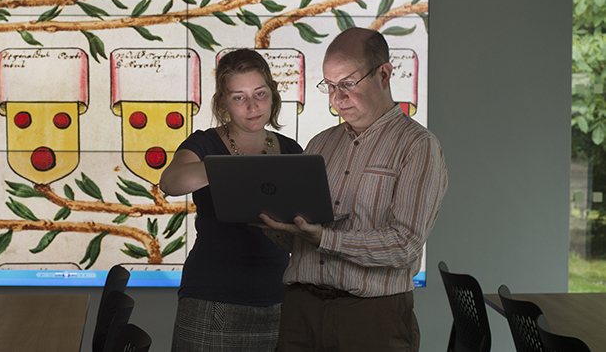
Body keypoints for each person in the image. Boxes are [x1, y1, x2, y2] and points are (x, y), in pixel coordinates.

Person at [261, 27, 447, 352]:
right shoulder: (320, 143)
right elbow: (299, 239)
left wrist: (325, 238)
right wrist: (271, 222)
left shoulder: (418, 146)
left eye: (347, 84)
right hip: (299, 312)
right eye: (330, 86)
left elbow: (404, 245)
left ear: (384, 74)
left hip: (373, 318)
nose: (337, 99)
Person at [160, 48, 303, 352]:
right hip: (210, 302)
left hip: (278, 303)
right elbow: (171, 182)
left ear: (273, 94)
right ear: (223, 102)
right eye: (239, 97)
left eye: (260, 93)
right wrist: (233, 169)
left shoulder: (291, 150)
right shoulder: (204, 143)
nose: (252, 106)